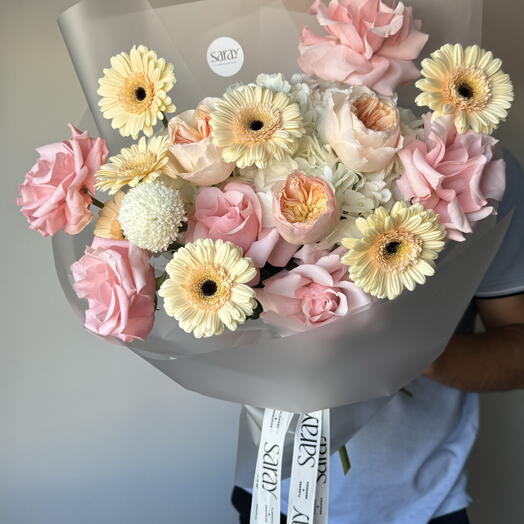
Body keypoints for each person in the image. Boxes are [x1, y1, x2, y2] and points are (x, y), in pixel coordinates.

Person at [231, 152, 524, 524]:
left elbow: (517, 350)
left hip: (425, 502)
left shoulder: (479, 165)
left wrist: (414, 349)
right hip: (275, 487)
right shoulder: (248, 149)